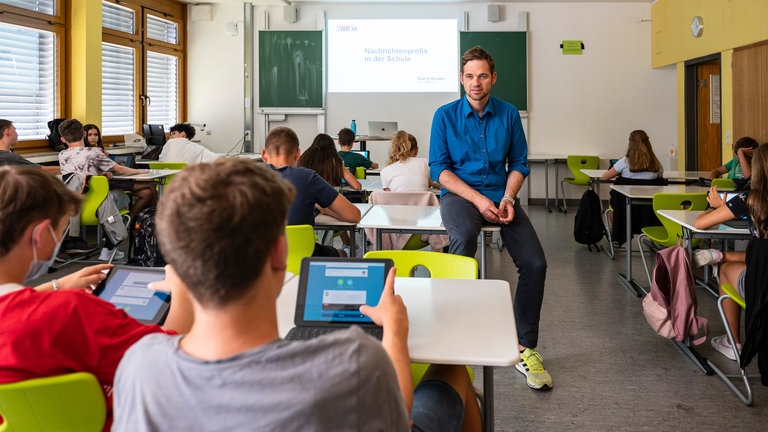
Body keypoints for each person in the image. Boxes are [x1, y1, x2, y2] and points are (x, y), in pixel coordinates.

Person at [111, 158, 481, 431]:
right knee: (452, 369)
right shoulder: (353, 360)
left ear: (174, 261)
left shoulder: (139, 366)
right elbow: (399, 418)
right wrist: (395, 331)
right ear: (280, 252)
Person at [0, 166, 194, 431]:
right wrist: (182, 288)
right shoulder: (71, 312)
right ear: (40, 234)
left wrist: (56, 284)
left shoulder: (49, 306)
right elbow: (173, 363)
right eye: (62, 229)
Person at [429, 46, 551, 390]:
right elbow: (439, 170)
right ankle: (451, 331)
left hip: (502, 195)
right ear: (461, 79)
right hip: (460, 195)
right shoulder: (445, 115)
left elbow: (519, 163)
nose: (475, 83)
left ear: (493, 78)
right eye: (469, 76)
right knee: (464, 239)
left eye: (482, 76)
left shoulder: (509, 114)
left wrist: (509, 197)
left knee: (535, 263)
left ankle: (524, 347)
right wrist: (480, 200)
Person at [693, 142, 768, 361]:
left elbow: (700, 223)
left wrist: (714, 207)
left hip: (762, 289)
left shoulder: (749, 200)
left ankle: (732, 342)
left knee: (725, 269)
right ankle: (721, 255)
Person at [262, 127, 361, 257]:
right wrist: (327, 210)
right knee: (342, 254)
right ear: (298, 153)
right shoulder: (308, 177)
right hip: (306, 257)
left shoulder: (245, 178)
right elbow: (354, 215)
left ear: (263, 155)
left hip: (260, 260)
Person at [298, 133, 362, 256]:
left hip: (308, 210)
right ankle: (349, 246)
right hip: (330, 205)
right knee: (343, 213)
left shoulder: (304, 159)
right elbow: (357, 186)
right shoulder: (335, 161)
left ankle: (348, 244)